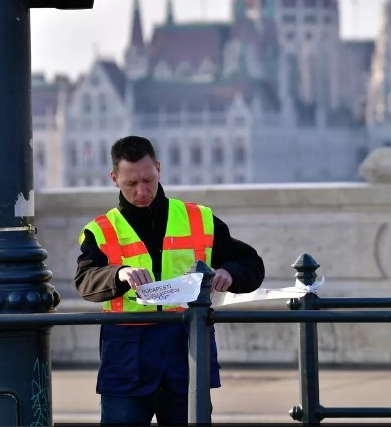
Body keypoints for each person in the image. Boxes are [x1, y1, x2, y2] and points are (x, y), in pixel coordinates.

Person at [75, 135, 265, 425]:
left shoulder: (199, 218)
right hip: (128, 358)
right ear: (114, 179)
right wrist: (119, 273)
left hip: (185, 352)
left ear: (159, 169)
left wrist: (229, 272)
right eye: (131, 183)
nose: (142, 191)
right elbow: (85, 281)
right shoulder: (99, 230)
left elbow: (251, 263)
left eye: (148, 180)